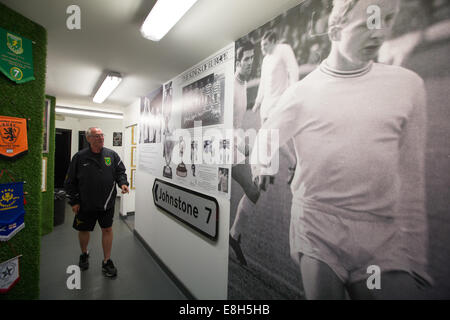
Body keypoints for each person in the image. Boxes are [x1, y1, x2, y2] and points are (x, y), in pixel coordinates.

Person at [251, 0, 430, 299]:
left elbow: (412, 178)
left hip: (380, 243)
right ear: (335, 30)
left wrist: (417, 258)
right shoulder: (303, 93)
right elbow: (266, 135)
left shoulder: (406, 87)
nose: (378, 33)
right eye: (366, 24)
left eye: (386, 19)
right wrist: (261, 165)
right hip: (319, 233)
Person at [65, 127, 129, 278]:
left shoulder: (111, 155)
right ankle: (84, 253)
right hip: (85, 204)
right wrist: (74, 201)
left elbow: (120, 172)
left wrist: (123, 183)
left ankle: (107, 261)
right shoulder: (79, 157)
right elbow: (70, 181)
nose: (100, 138)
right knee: (84, 230)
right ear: (89, 139)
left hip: (107, 203)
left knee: (107, 229)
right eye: (96, 136)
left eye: (102, 135)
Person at [252, 30, 299, 184]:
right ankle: (283, 166)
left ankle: (284, 165)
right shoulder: (266, 60)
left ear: (273, 41)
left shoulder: (283, 49)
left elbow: (293, 70)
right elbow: (263, 83)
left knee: (269, 136)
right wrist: (258, 101)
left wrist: (293, 92)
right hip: (267, 104)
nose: (263, 48)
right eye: (261, 46)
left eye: (265, 44)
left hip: (279, 102)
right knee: (269, 137)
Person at [229, 41, 260, 266]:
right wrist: (239, 144)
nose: (250, 62)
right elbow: (221, 124)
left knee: (254, 190)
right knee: (251, 189)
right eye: (246, 59)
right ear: (238, 61)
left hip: (232, 146)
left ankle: (233, 236)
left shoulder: (243, 83)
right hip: (221, 148)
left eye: (252, 58)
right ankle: (230, 237)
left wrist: (242, 141)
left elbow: (236, 125)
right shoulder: (231, 85)